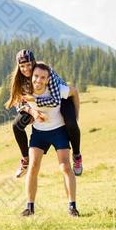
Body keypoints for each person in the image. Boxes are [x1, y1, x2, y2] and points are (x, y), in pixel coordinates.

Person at [4, 49, 83, 178]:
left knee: (71, 123)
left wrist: (34, 101)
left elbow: (56, 100)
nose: (26, 69)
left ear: (34, 63)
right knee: (16, 126)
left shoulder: (45, 73)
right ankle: (26, 159)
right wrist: (33, 112)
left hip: (61, 99)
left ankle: (77, 156)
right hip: (35, 106)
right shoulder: (20, 79)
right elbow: (19, 103)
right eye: (22, 66)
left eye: (29, 65)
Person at [20, 62, 79, 217]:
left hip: (59, 131)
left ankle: (72, 207)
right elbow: (19, 104)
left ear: (48, 79)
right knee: (33, 166)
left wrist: (75, 116)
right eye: (36, 76)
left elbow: (75, 92)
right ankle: (30, 207)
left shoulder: (58, 89)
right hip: (39, 133)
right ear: (32, 76)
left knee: (65, 166)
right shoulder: (27, 90)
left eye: (43, 77)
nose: (38, 80)